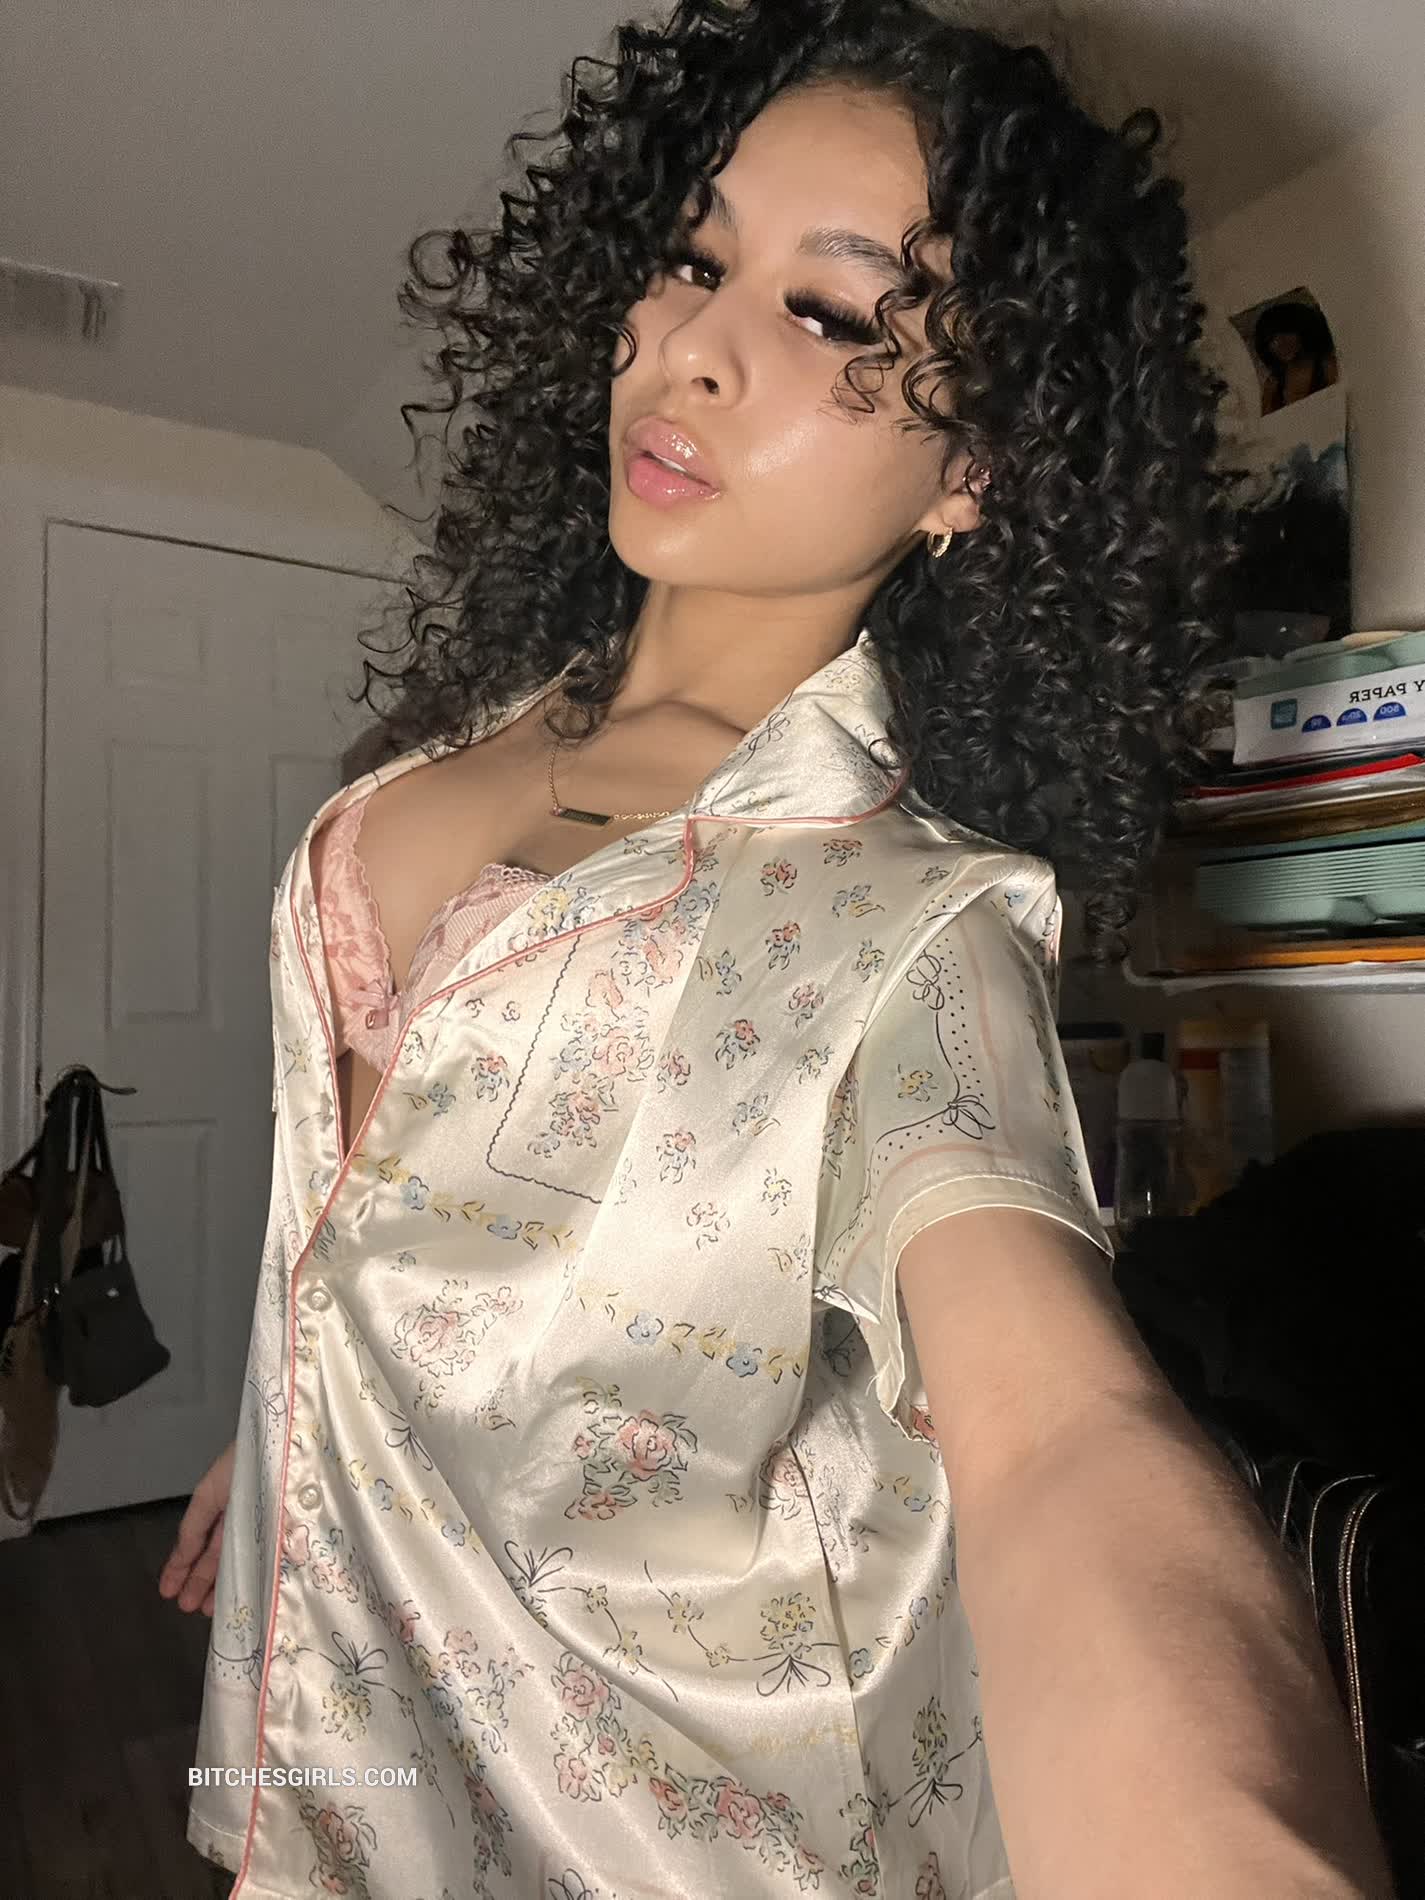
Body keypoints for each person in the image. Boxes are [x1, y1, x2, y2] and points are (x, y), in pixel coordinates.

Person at [158, 3, 1395, 1896]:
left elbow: (1063, 1437)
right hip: (325, 1737)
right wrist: (305, 1414)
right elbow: (385, 1206)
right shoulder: (472, 736)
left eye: (826, 313)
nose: (690, 348)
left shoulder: (904, 926)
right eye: (692, 257)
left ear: (976, 470)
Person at [1253, 297, 1341, 415]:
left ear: (1302, 330)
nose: (1280, 343)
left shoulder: (1327, 366)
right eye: (1271, 339)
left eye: (1285, 332)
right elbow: (1267, 420)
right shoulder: (1274, 384)